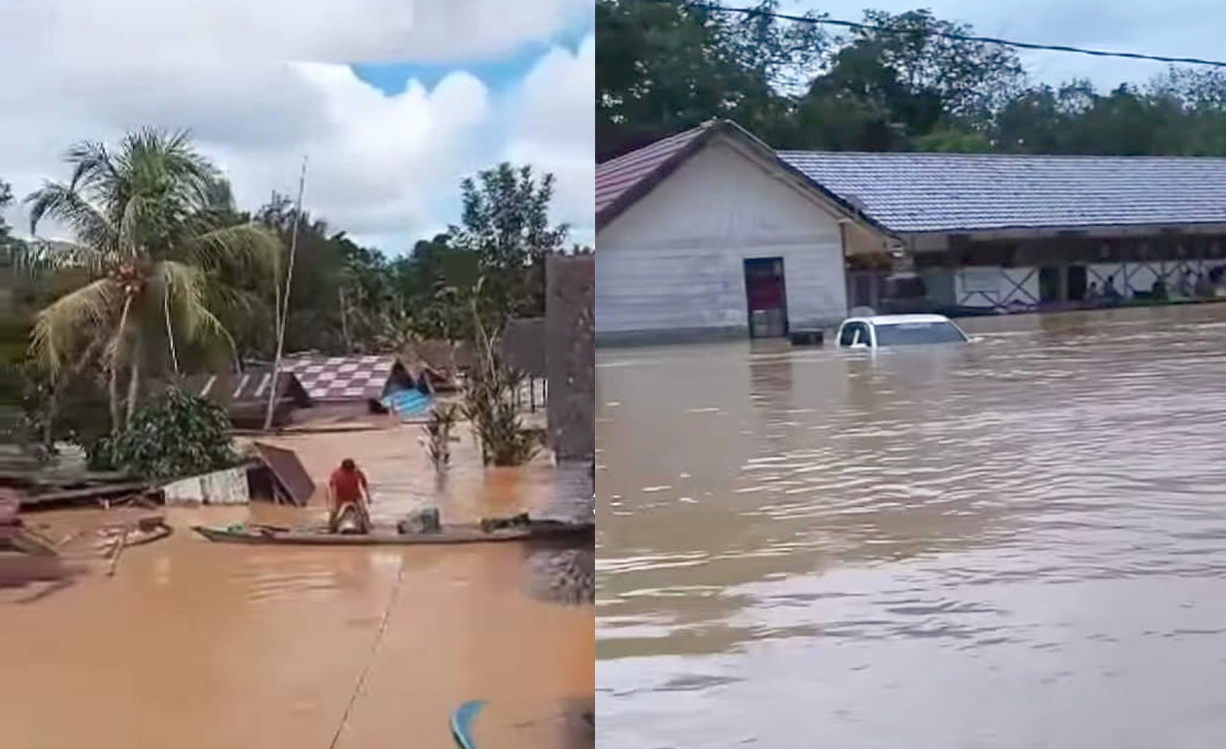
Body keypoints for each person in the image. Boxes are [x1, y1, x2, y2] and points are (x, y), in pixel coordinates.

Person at [328, 459, 371, 533]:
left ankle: (366, 527)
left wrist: (367, 496)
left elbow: (364, 484)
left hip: (354, 497)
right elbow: (331, 486)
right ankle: (332, 527)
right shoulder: (336, 473)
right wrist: (332, 499)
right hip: (341, 497)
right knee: (334, 512)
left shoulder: (357, 473)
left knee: (363, 512)